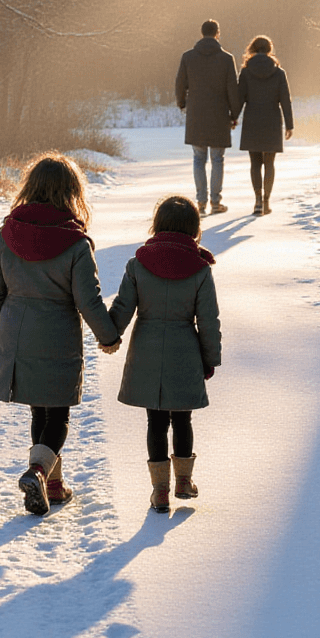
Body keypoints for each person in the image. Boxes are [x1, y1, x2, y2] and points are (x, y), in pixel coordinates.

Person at [0, 154, 120, 515]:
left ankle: (53, 486)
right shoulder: (75, 243)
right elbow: (88, 301)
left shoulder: (7, 235)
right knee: (57, 416)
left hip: (16, 335)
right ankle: (39, 472)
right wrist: (108, 337)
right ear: (72, 192)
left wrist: (1, 334)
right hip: (57, 339)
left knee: (39, 415)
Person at [106, 193, 221, 513]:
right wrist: (210, 359)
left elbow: (123, 308)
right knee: (182, 418)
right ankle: (183, 481)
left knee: (155, 421)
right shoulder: (200, 269)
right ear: (194, 228)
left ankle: (160, 491)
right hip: (185, 352)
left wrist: (108, 334)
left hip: (146, 351)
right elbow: (208, 321)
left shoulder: (138, 264)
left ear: (157, 225)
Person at [175, 18, 240, 214]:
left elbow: (180, 84)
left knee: (198, 158)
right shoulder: (227, 59)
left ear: (202, 33)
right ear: (217, 33)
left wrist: (182, 104)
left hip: (196, 114)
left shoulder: (188, 57)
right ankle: (215, 202)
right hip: (219, 114)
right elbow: (233, 89)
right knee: (218, 159)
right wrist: (234, 114)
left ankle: (201, 202)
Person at [235, 35, 294, 215]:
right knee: (269, 163)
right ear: (269, 50)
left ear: (253, 49)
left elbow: (239, 98)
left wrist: (233, 117)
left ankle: (258, 201)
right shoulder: (279, 73)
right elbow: (285, 100)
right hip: (272, 121)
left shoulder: (246, 72)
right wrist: (289, 125)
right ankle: (266, 201)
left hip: (252, 120)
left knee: (255, 163)